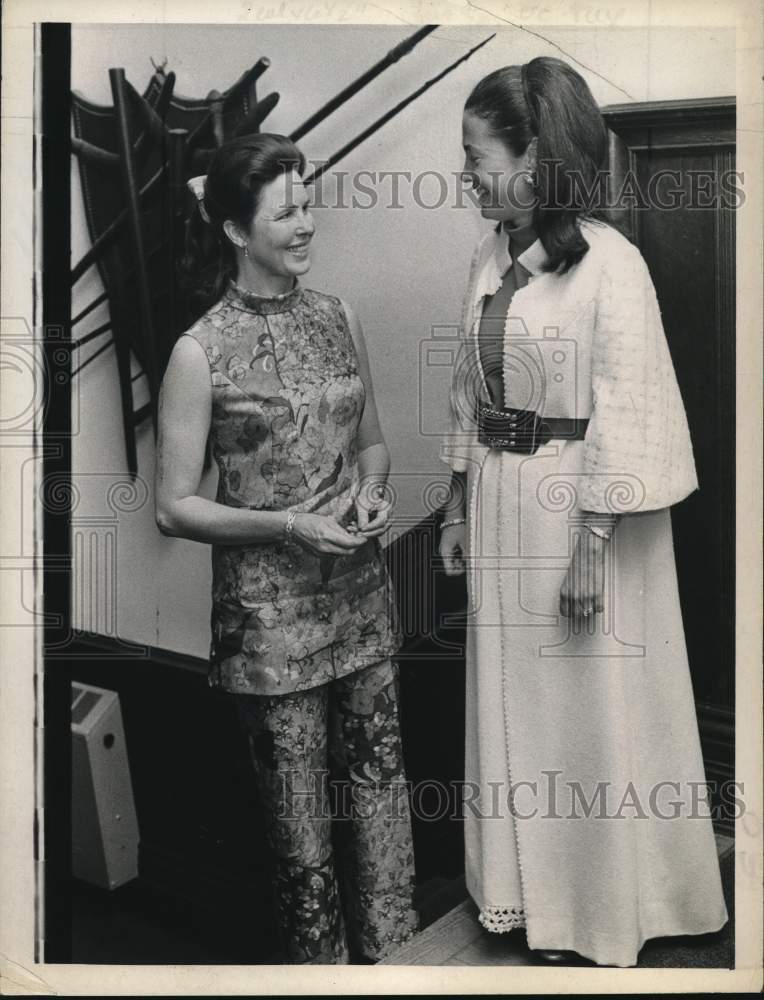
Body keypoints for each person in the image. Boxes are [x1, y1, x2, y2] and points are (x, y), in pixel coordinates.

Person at [438, 57, 729, 967]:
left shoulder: (613, 264)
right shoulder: (488, 258)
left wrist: (594, 545)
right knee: (513, 708)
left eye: (477, 155)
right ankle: (523, 900)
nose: (466, 175)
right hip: (499, 504)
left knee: (582, 715)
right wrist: (454, 505)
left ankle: (596, 913)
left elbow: (632, 403)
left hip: (576, 513)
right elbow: (465, 393)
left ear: (536, 156)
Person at [154, 134, 419, 964]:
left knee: (383, 806)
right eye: (286, 212)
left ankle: (402, 969)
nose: (307, 223)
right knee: (301, 839)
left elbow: (373, 445)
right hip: (269, 636)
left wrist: (372, 495)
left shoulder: (340, 316)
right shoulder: (197, 353)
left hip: (364, 604)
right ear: (237, 231)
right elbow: (172, 507)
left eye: (310, 204)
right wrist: (290, 524)